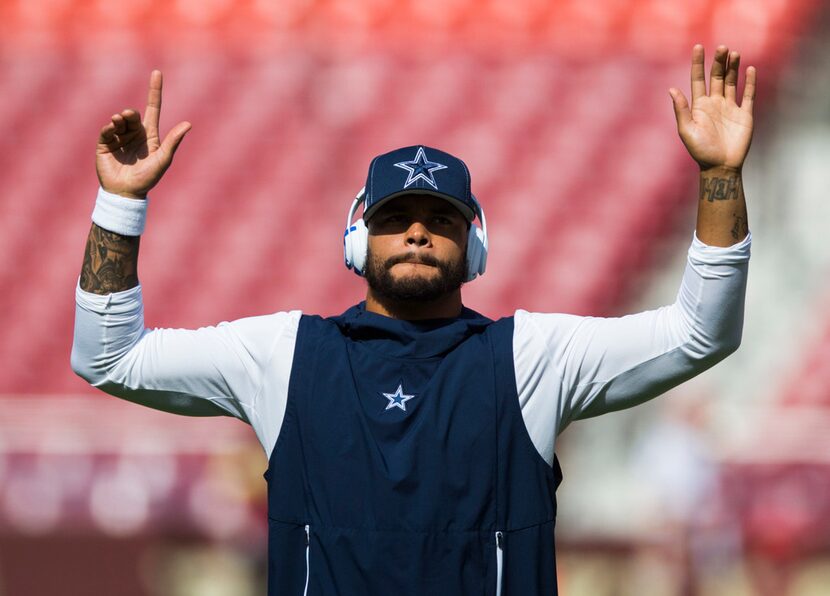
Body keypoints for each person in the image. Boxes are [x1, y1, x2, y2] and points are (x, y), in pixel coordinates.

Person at [71, 44, 755, 595]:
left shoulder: (531, 357)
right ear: (358, 240)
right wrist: (120, 204)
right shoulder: (282, 355)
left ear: (474, 245)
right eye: (395, 220)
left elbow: (700, 333)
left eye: (441, 221)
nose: (418, 234)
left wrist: (720, 176)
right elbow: (108, 357)